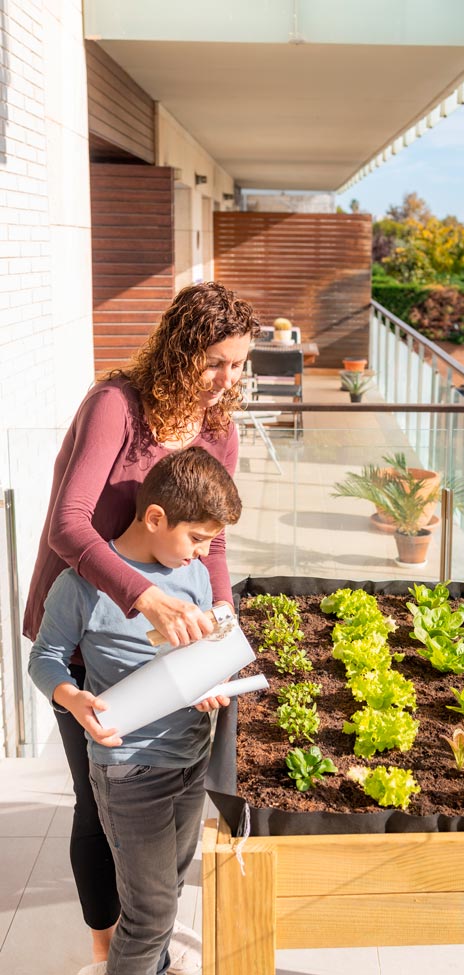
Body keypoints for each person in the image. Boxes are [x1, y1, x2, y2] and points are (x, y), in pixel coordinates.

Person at [22, 282, 259, 973]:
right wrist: (145, 598)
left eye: (239, 365)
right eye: (216, 362)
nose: (228, 380)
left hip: (166, 625)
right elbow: (69, 525)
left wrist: (221, 626)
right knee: (98, 799)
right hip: (88, 618)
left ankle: (143, 939)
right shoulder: (117, 406)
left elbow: (214, 543)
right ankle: (109, 951)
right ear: (181, 350)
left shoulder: (218, 430)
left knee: (167, 794)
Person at [29, 447, 243, 975]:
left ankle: (157, 966)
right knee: (149, 916)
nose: (204, 554)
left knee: (168, 888)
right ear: (154, 518)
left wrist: (212, 678)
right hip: (130, 772)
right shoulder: (81, 584)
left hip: (191, 759)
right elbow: (46, 657)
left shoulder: (193, 574)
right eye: (197, 538)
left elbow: (197, 653)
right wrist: (71, 697)